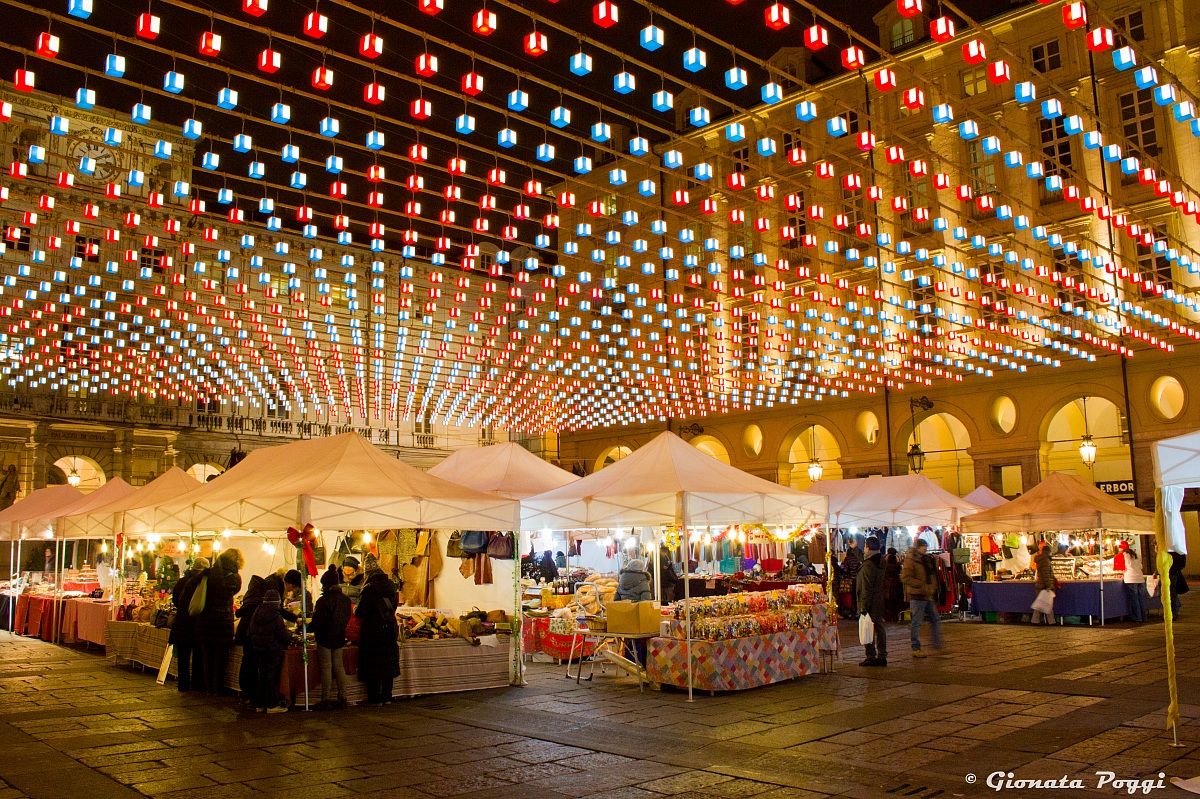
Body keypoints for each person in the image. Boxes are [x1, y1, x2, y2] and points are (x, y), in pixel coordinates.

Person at [194, 548, 244, 695]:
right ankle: (217, 688)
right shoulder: (235, 578)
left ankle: (209, 687)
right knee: (220, 658)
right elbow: (232, 592)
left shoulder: (208, 574)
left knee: (208, 657)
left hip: (205, 621)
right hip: (223, 622)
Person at [355, 571, 400, 706]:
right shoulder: (392, 587)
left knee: (373, 664)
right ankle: (387, 696)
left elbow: (360, 612)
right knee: (387, 663)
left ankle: (375, 698)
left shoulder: (369, 589)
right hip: (389, 629)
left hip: (372, 631)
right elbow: (394, 608)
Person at [311, 565, 352, 710]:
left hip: (324, 638)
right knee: (339, 667)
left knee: (326, 668)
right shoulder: (346, 600)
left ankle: (326, 698)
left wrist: (307, 627)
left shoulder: (323, 601)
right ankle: (343, 696)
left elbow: (317, 622)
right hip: (339, 637)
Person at [169, 557, 208, 692]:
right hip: (197, 624)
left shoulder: (182, 581)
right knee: (198, 656)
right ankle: (197, 685)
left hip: (182, 623)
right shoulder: (203, 583)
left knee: (183, 658)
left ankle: (183, 685)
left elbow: (175, 600)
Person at [248, 588, 290, 713]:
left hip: (259, 648)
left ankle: (260, 704)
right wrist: (290, 639)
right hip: (273, 649)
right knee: (271, 676)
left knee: (262, 675)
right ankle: (271, 704)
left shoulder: (257, 611)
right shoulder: (275, 615)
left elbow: (251, 630)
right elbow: (282, 634)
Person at [901, 540, 943, 657]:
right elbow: (905, 578)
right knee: (917, 622)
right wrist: (921, 584)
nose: (925, 549)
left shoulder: (926, 559)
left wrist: (932, 586)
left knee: (935, 619)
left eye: (926, 547)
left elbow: (931, 574)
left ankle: (937, 643)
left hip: (927, 595)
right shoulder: (910, 560)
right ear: (918, 547)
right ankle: (915, 647)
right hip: (917, 596)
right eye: (923, 547)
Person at [234, 574, 267, 706]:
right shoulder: (257, 601)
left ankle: (245, 692)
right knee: (251, 662)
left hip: (245, 633)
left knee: (247, 661)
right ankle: (250, 692)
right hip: (253, 635)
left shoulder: (249, 598)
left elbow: (239, 613)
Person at [856, 538, 887, 667]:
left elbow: (866, 587)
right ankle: (882, 655)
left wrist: (863, 606)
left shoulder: (869, 564)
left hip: (869, 601)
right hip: (879, 600)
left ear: (868, 548)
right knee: (879, 628)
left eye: (864, 547)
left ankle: (871, 655)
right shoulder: (881, 561)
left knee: (867, 628)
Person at [1117, 541, 1147, 623]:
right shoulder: (1135, 555)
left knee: (1135, 599)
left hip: (1131, 579)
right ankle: (1144, 617)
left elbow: (1122, 567)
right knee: (1141, 598)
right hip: (1140, 578)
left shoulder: (1123, 555)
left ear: (1122, 548)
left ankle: (1138, 617)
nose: (1118, 548)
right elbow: (1141, 566)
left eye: (1119, 547)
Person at [1031, 541, 1056, 625]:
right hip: (1044, 585)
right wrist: (1049, 585)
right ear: (1048, 552)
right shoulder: (1045, 560)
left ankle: (1035, 620)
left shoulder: (1041, 559)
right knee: (1047, 604)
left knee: (1040, 604)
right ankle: (1051, 621)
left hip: (1040, 584)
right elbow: (1046, 574)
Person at [840, 537, 864, 617]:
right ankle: (857, 611)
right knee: (856, 596)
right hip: (857, 579)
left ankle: (851, 612)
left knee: (850, 597)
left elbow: (844, 569)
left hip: (849, 580)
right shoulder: (857, 559)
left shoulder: (847, 559)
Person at [883, 547, 904, 623]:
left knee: (888, 603)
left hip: (887, 587)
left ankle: (888, 618)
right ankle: (895, 618)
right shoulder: (897, 564)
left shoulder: (885, 564)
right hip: (896, 586)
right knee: (895, 603)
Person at [1170, 551, 1188, 618]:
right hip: (1174, 572)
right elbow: (1183, 564)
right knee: (1173, 593)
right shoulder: (1179, 551)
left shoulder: (1171, 552)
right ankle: (1174, 611)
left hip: (1171, 573)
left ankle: (1173, 613)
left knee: (1172, 594)